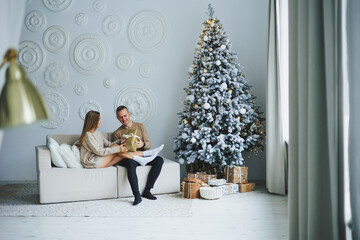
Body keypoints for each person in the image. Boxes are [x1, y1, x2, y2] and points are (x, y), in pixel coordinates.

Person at [114, 106, 164, 206]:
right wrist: (121, 144)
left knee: (159, 160)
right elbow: (116, 150)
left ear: (129, 114)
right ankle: (137, 195)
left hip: (142, 155)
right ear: (117, 118)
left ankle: (147, 190)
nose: (123, 119)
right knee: (130, 163)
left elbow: (148, 144)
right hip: (129, 157)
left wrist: (143, 144)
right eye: (120, 117)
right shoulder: (117, 133)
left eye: (125, 115)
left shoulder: (140, 126)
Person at [79, 110, 164, 170]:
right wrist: (119, 148)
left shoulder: (97, 133)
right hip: (93, 162)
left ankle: (144, 157)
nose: (101, 121)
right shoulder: (88, 135)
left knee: (120, 154)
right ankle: (145, 155)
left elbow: (108, 144)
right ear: (93, 121)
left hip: (100, 160)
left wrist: (121, 140)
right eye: (99, 119)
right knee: (118, 149)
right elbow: (99, 151)